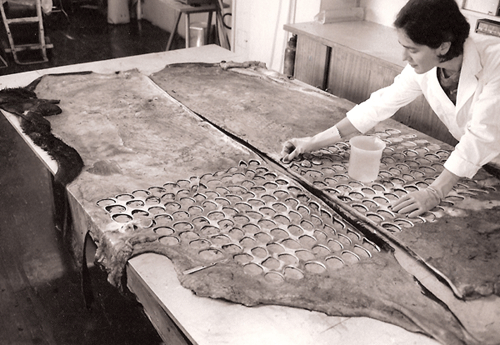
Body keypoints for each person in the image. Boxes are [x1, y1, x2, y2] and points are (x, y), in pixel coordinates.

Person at [280, 0, 500, 218]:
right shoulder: (428, 65)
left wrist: (435, 191)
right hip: (478, 161)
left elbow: (482, 135)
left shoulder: (496, 61)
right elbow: (379, 105)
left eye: (412, 50)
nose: (404, 57)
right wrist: (314, 141)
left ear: (443, 46)